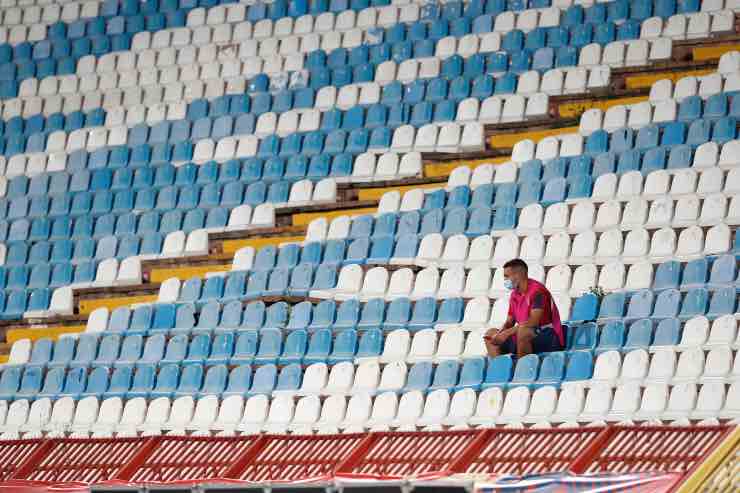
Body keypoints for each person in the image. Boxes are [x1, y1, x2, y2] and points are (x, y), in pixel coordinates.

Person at [484, 258, 564, 358]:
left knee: (523, 331)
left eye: (506, 277)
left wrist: (506, 334)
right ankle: (500, 370)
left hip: (547, 336)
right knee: (490, 333)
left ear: (518, 275)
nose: (505, 280)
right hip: (524, 335)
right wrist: (500, 334)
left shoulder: (537, 292)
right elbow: (509, 322)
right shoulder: (514, 294)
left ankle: (522, 371)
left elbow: (533, 322)